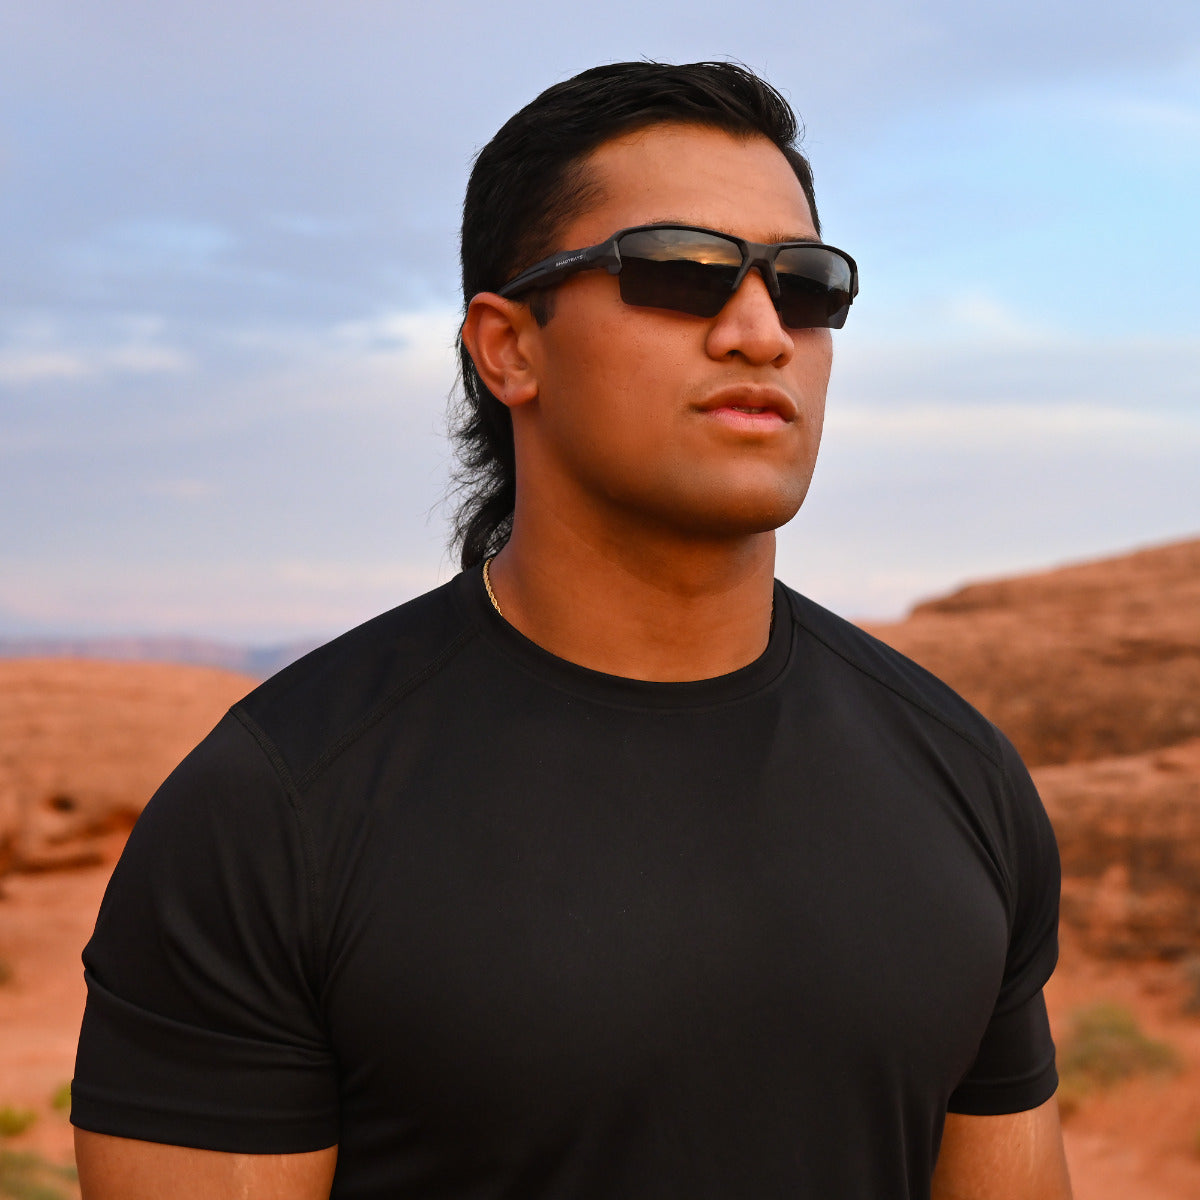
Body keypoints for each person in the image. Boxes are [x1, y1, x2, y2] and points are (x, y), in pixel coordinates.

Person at [71, 61, 1073, 1200]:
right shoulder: (275, 814)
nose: (761, 331)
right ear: (508, 347)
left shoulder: (961, 776)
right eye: (681, 270)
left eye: (806, 286)